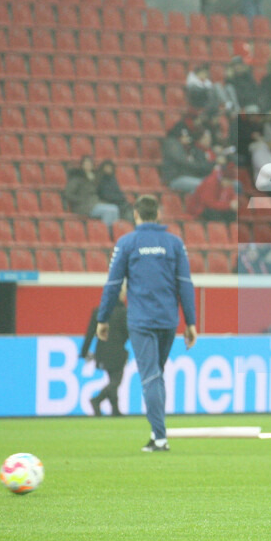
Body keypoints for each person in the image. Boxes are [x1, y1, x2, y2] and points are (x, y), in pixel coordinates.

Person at [96, 195, 198, 453]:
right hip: (168, 320)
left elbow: (113, 284)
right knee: (156, 375)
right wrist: (191, 322)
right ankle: (158, 434)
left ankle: (160, 438)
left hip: (141, 321)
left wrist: (103, 318)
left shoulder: (127, 243)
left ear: (136, 215)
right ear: (159, 215)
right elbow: (185, 284)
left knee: (151, 376)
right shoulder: (174, 243)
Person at [81, 282, 129, 416]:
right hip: (118, 352)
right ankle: (97, 400)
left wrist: (84, 352)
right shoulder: (124, 312)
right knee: (116, 381)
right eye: (123, 293)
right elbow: (128, 332)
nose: (125, 296)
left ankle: (115, 410)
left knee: (113, 380)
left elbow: (90, 333)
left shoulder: (99, 311)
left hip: (101, 352)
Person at [64, 156, 122, 227]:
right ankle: (105, 233)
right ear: (82, 165)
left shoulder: (94, 178)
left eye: (90, 163)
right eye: (86, 163)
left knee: (115, 209)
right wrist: (81, 200)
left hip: (94, 204)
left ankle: (114, 233)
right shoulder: (77, 178)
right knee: (109, 211)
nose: (88, 165)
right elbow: (68, 194)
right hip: (82, 207)